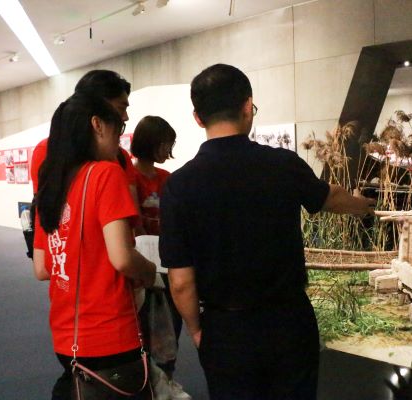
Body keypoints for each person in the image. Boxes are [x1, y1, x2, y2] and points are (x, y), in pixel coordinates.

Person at [159, 63, 375, 400]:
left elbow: (180, 282)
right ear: (247, 107)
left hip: (226, 329)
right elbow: (330, 197)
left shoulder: (179, 186)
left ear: (198, 118)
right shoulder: (282, 164)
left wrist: (198, 331)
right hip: (288, 322)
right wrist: (364, 205)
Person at [33, 92, 156, 399]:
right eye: (118, 129)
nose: (119, 140)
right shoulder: (105, 173)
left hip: (67, 335)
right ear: (97, 125)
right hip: (111, 333)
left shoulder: (52, 184)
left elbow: (42, 267)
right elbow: (122, 258)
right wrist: (149, 270)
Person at [30, 69, 146, 233]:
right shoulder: (45, 151)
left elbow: (131, 217)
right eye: (121, 108)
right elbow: (45, 211)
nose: (125, 117)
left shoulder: (120, 157)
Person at [131, 116, 190, 399]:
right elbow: (135, 224)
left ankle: (166, 380)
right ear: (151, 143)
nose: (169, 150)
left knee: (170, 327)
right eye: (166, 144)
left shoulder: (167, 178)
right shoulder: (130, 178)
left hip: (167, 264)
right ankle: (149, 384)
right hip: (143, 266)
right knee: (146, 328)